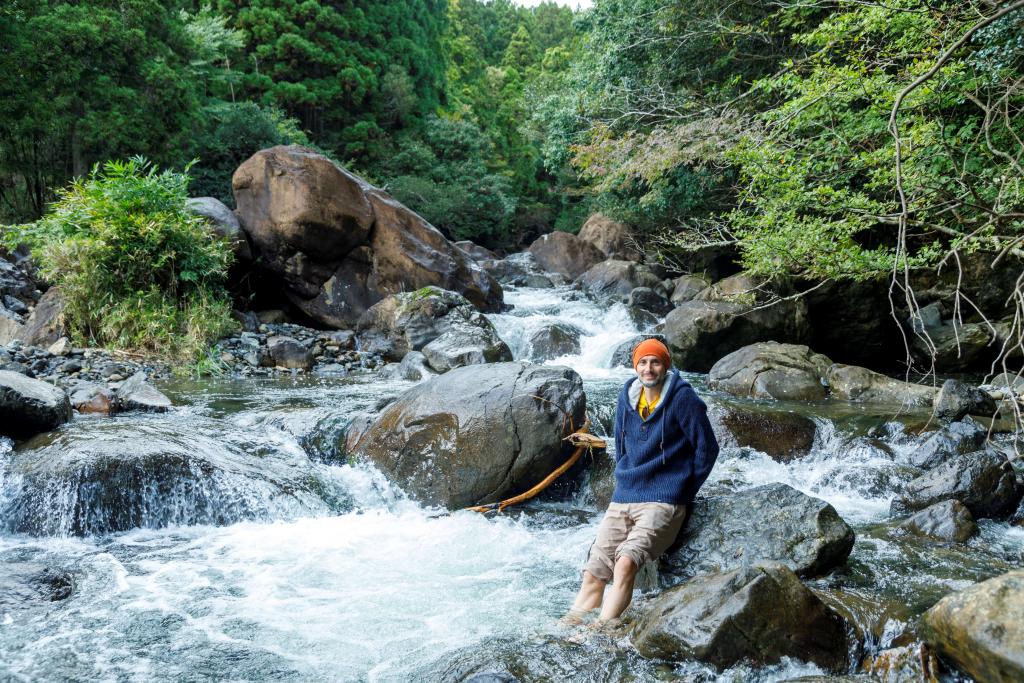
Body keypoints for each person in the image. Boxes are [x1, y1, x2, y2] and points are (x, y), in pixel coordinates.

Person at [565, 338, 719, 627]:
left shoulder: (683, 399)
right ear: (636, 366)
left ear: (665, 365)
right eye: (643, 362)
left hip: (663, 501)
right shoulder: (627, 396)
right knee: (594, 571)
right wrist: (624, 474)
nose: (649, 369)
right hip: (625, 495)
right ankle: (569, 626)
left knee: (625, 563)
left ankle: (600, 631)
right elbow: (620, 443)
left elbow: (707, 449)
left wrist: (683, 489)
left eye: (655, 362)